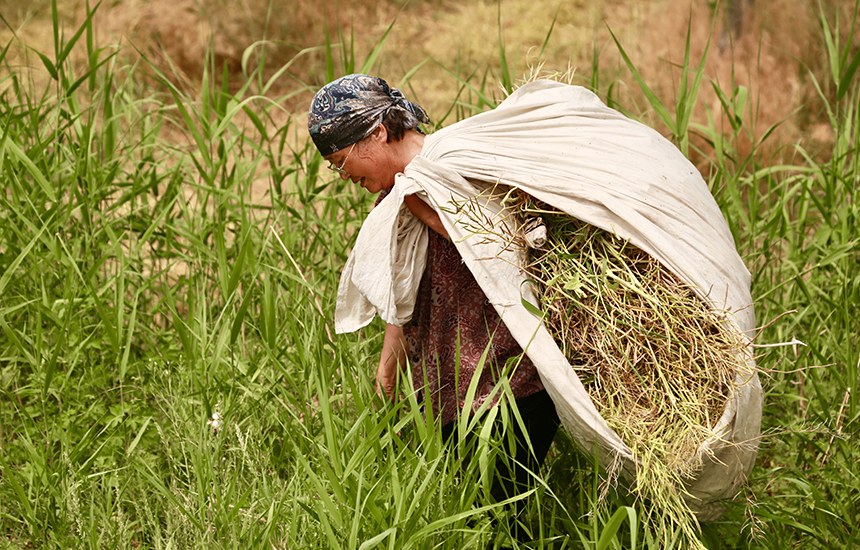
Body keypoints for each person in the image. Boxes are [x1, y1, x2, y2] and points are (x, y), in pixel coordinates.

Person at [308, 74, 561, 537]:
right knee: (478, 521)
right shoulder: (395, 192)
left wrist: (435, 213)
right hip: (449, 393)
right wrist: (391, 358)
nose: (343, 177)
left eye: (341, 162)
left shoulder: (459, 165)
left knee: (504, 526)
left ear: (378, 133)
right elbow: (405, 283)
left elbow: (519, 250)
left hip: (512, 386)